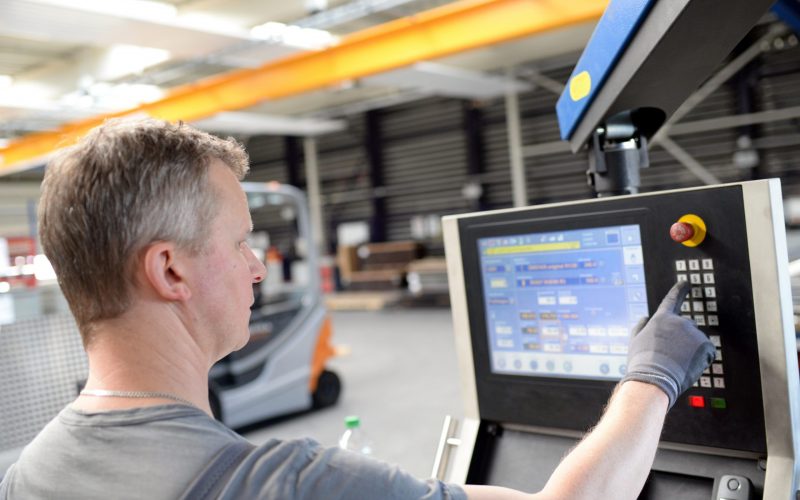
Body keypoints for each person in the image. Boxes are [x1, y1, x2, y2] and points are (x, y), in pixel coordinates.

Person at [0, 118, 714, 500]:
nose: (257, 266)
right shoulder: (286, 483)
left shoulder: (30, 474)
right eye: (241, 242)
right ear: (170, 270)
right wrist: (651, 379)